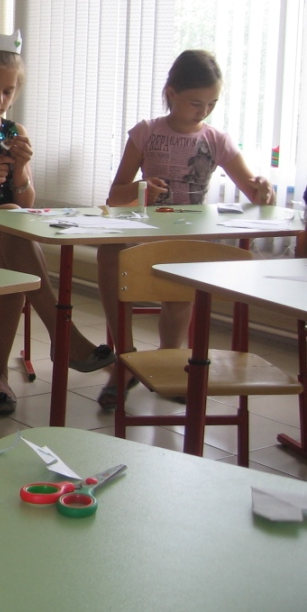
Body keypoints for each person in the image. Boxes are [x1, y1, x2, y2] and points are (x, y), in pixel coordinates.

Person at [95, 49, 274, 409]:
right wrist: (143, 188)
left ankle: (168, 360)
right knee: (109, 254)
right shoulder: (146, 133)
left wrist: (263, 189)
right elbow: (115, 195)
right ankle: (125, 358)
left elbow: (254, 194)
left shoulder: (216, 140)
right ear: (172, 94)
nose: (203, 112)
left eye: (212, 104)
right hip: (143, 234)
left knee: (181, 282)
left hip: (185, 239)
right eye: (196, 103)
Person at [0, 27, 115, 415]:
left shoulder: (15, 133)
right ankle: (61, 335)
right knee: (11, 228)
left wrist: (20, 171)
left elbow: (27, 202)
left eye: (8, 92)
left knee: (14, 250)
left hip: (6, 238)